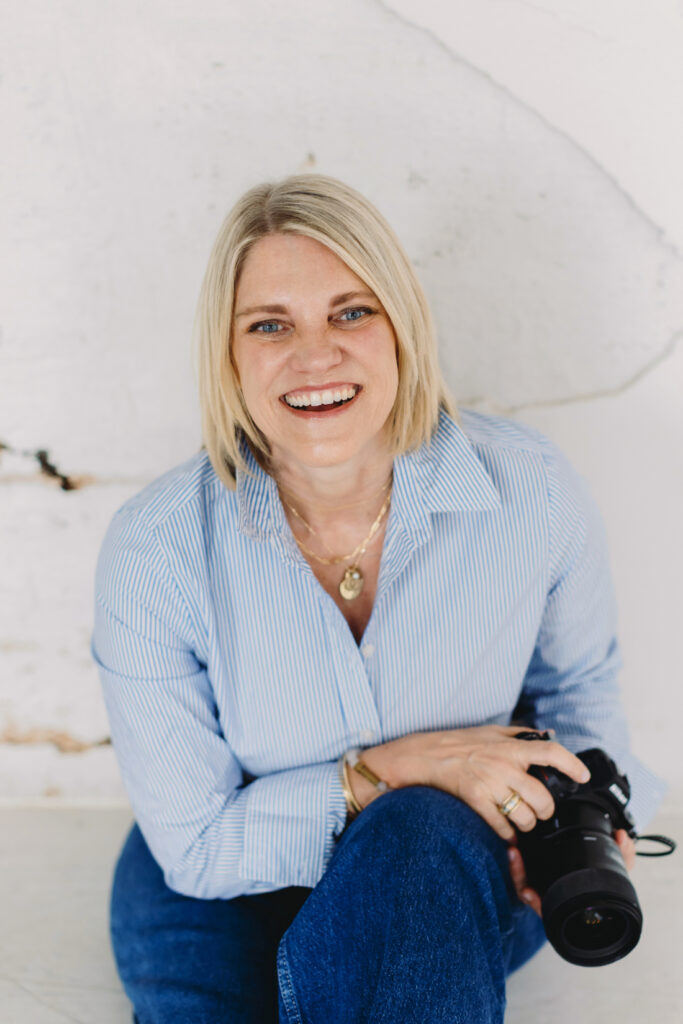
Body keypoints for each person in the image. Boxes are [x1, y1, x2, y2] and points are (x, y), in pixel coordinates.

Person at [92, 174, 665, 1024]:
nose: (314, 354)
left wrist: (582, 822)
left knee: (418, 832)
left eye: (351, 312)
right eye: (269, 324)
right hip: (226, 885)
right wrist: (395, 770)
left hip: (445, 867)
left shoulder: (532, 492)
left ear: (402, 325)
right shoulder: (155, 550)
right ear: (227, 354)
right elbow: (200, 846)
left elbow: (579, 694)